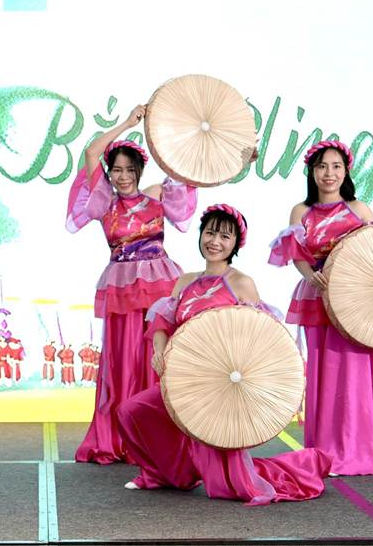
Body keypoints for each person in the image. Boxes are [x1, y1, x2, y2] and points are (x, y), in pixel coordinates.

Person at [117, 204, 332, 504]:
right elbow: (164, 322)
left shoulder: (242, 284)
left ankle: (302, 465)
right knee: (131, 411)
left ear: (236, 244)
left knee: (230, 487)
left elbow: (258, 336)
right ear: (201, 235)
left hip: (219, 387)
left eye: (224, 236)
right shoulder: (185, 280)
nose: (215, 241)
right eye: (210, 233)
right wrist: (159, 350)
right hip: (182, 380)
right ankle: (167, 475)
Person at [66, 105, 197, 463]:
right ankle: (120, 437)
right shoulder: (104, 203)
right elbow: (91, 153)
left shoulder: (156, 195)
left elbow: (185, 171)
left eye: (129, 170)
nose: (122, 176)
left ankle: (159, 437)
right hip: (122, 290)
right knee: (122, 361)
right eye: (117, 170)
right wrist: (127, 122)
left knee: (156, 359)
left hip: (159, 286)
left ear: (139, 170)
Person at [269, 140, 373, 476]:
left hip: (354, 301)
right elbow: (297, 254)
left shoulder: (359, 210)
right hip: (317, 298)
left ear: (346, 171)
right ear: (312, 172)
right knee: (325, 372)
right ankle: (325, 451)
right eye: (322, 166)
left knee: (355, 374)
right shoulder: (300, 212)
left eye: (335, 166)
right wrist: (312, 275)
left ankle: (358, 449)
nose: (329, 173)